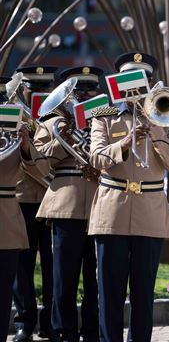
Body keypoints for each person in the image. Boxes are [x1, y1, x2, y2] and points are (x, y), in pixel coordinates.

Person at [88, 52, 169, 342]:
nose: (137, 88)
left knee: (143, 293)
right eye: (130, 81)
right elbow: (96, 158)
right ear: (119, 84)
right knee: (110, 292)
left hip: (150, 213)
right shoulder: (104, 117)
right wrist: (126, 142)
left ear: (151, 84)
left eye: (143, 80)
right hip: (112, 212)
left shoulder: (167, 117)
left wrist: (154, 130)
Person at [33, 66, 104, 342]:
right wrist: (67, 136)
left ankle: (93, 331)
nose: (85, 94)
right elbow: (40, 160)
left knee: (95, 278)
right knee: (64, 277)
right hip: (66, 204)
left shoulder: (104, 120)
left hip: (101, 205)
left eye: (90, 89)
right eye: (78, 91)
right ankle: (64, 332)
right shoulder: (51, 122)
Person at [11, 66, 56, 342]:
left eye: (43, 87)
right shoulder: (12, 115)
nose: (37, 92)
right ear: (22, 89)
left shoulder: (58, 116)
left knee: (54, 267)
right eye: (32, 87)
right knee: (22, 266)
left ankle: (51, 322)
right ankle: (24, 322)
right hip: (24, 198)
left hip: (53, 199)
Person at [0, 77, 44, 342]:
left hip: (6, 218)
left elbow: (40, 170)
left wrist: (26, 145)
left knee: (3, 292)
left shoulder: (15, 130)